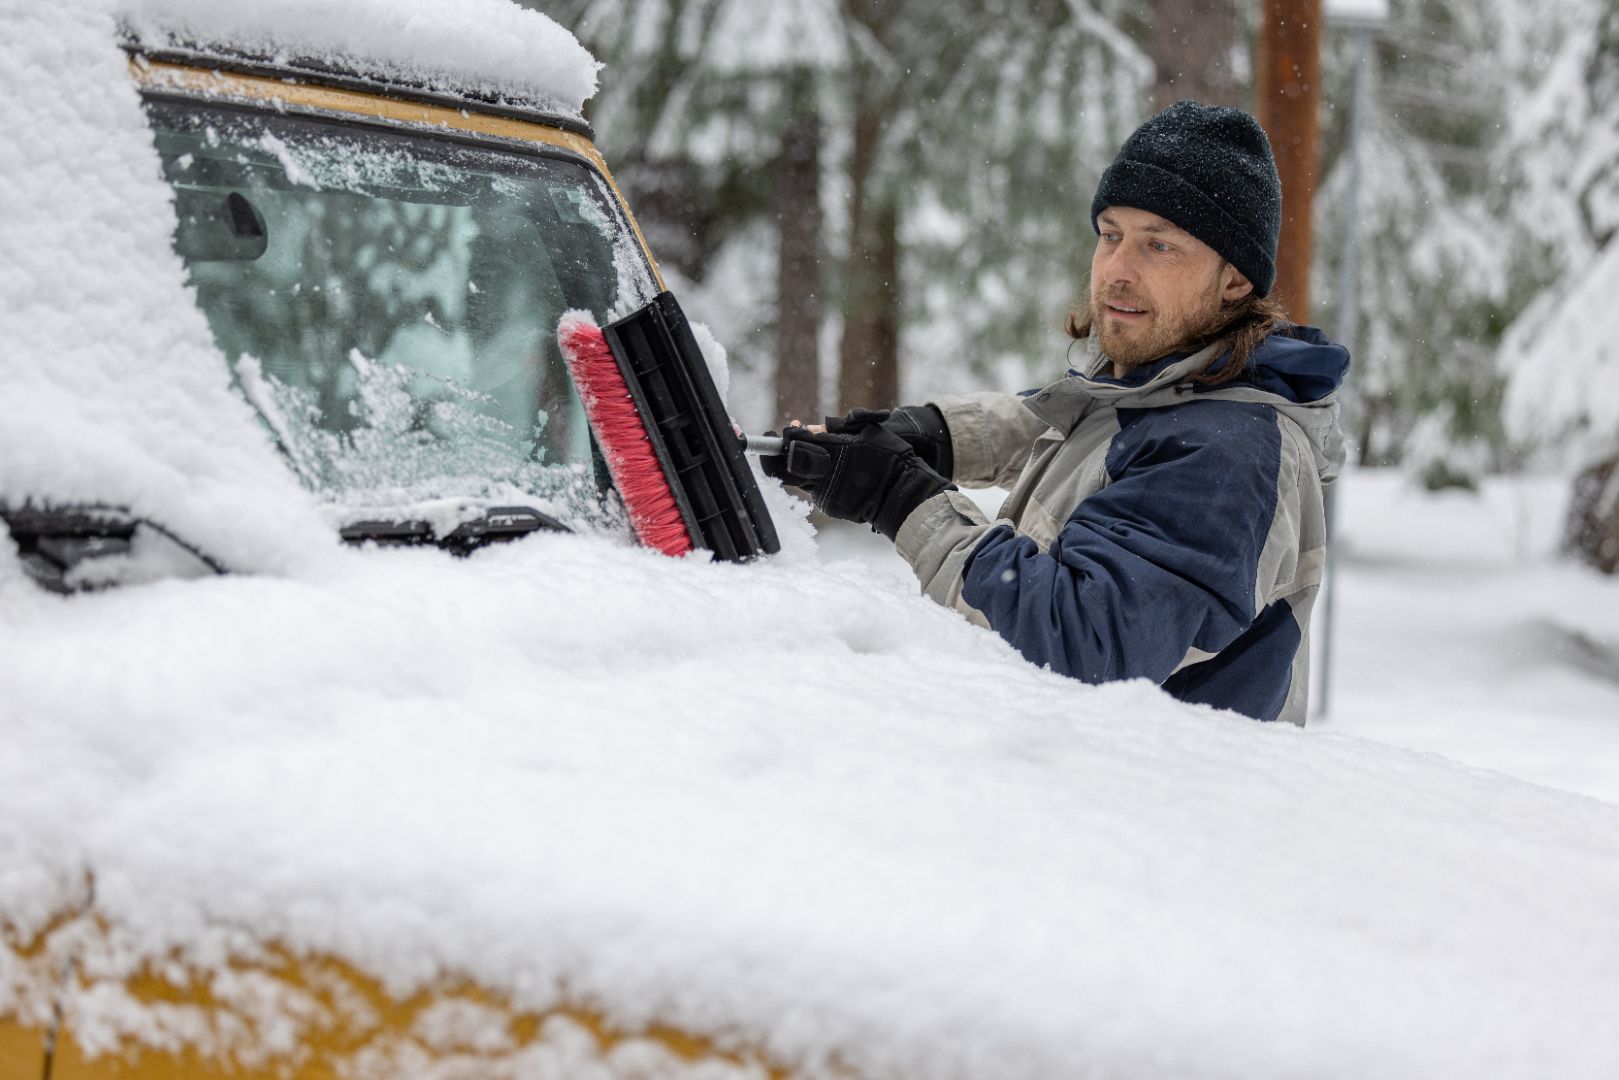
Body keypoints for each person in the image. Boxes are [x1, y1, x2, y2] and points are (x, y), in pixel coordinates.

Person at [763, 101, 1349, 725]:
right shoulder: (1174, 389)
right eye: (1111, 235)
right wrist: (932, 435)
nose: (1118, 271)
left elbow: (1081, 645)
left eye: (1159, 245)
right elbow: (1072, 432)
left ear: (1234, 281)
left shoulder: (1227, 453)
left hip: (1151, 808)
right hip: (1078, 787)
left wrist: (901, 497)